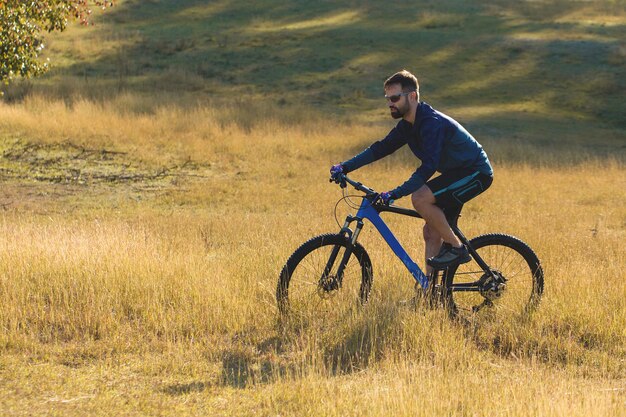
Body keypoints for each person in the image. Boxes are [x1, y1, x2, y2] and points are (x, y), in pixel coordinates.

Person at [330, 70, 493, 273]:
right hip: (456, 173)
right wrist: (345, 166)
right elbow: (381, 148)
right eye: (388, 98)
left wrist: (396, 193)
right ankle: (430, 293)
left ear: (412, 96)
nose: (390, 103)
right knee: (431, 232)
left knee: (421, 198)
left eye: (395, 98)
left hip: (475, 173)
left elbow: (429, 167)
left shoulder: (430, 123)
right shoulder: (407, 125)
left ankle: (457, 249)